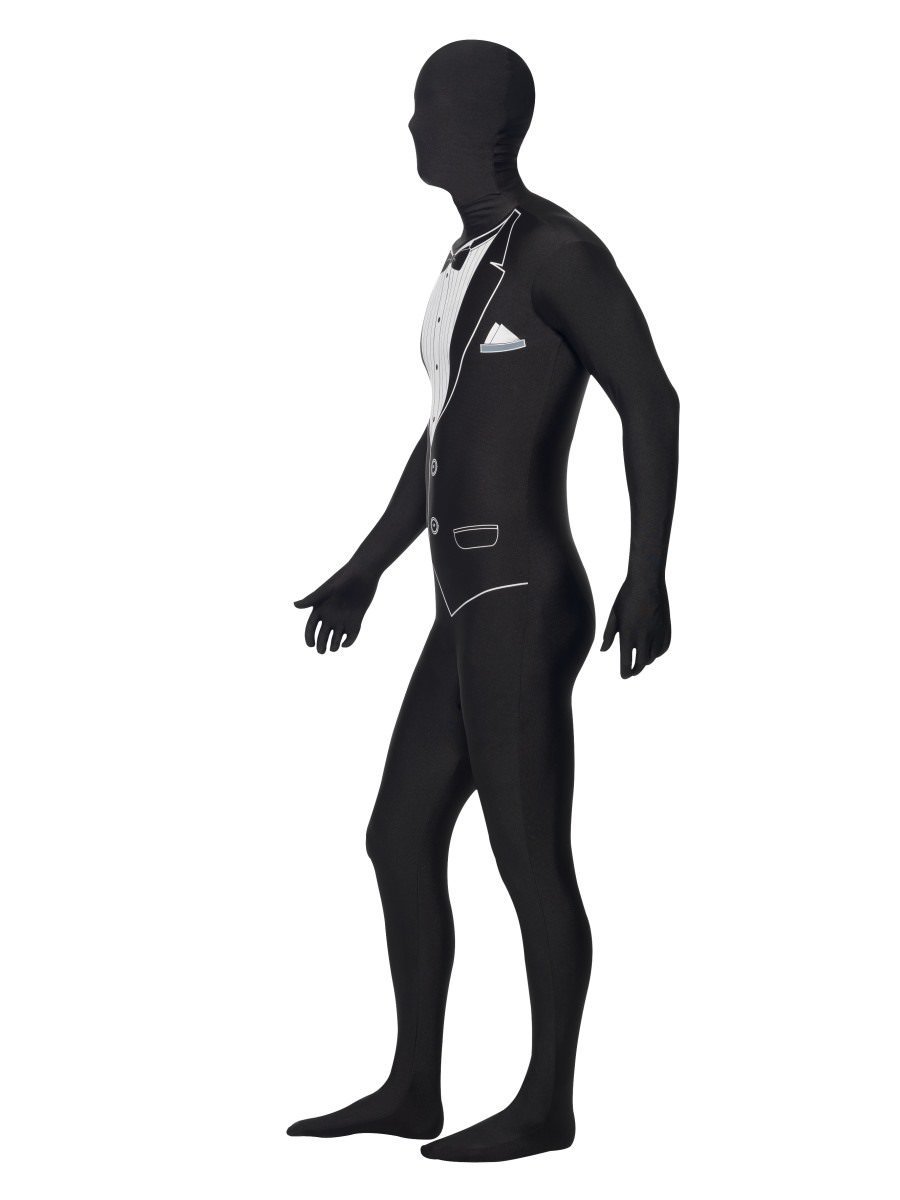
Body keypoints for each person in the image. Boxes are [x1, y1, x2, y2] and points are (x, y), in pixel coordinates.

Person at [288, 38, 679, 1162]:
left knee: (526, 851)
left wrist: (649, 571)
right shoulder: (470, 254)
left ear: (480, 123)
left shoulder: (560, 253)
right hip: (464, 594)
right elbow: (448, 435)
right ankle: (414, 1087)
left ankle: (547, 1103)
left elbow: (652, 401)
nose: (412, 126)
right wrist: (368, 565)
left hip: (523, 592)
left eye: (426, 107)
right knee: (397, 835)